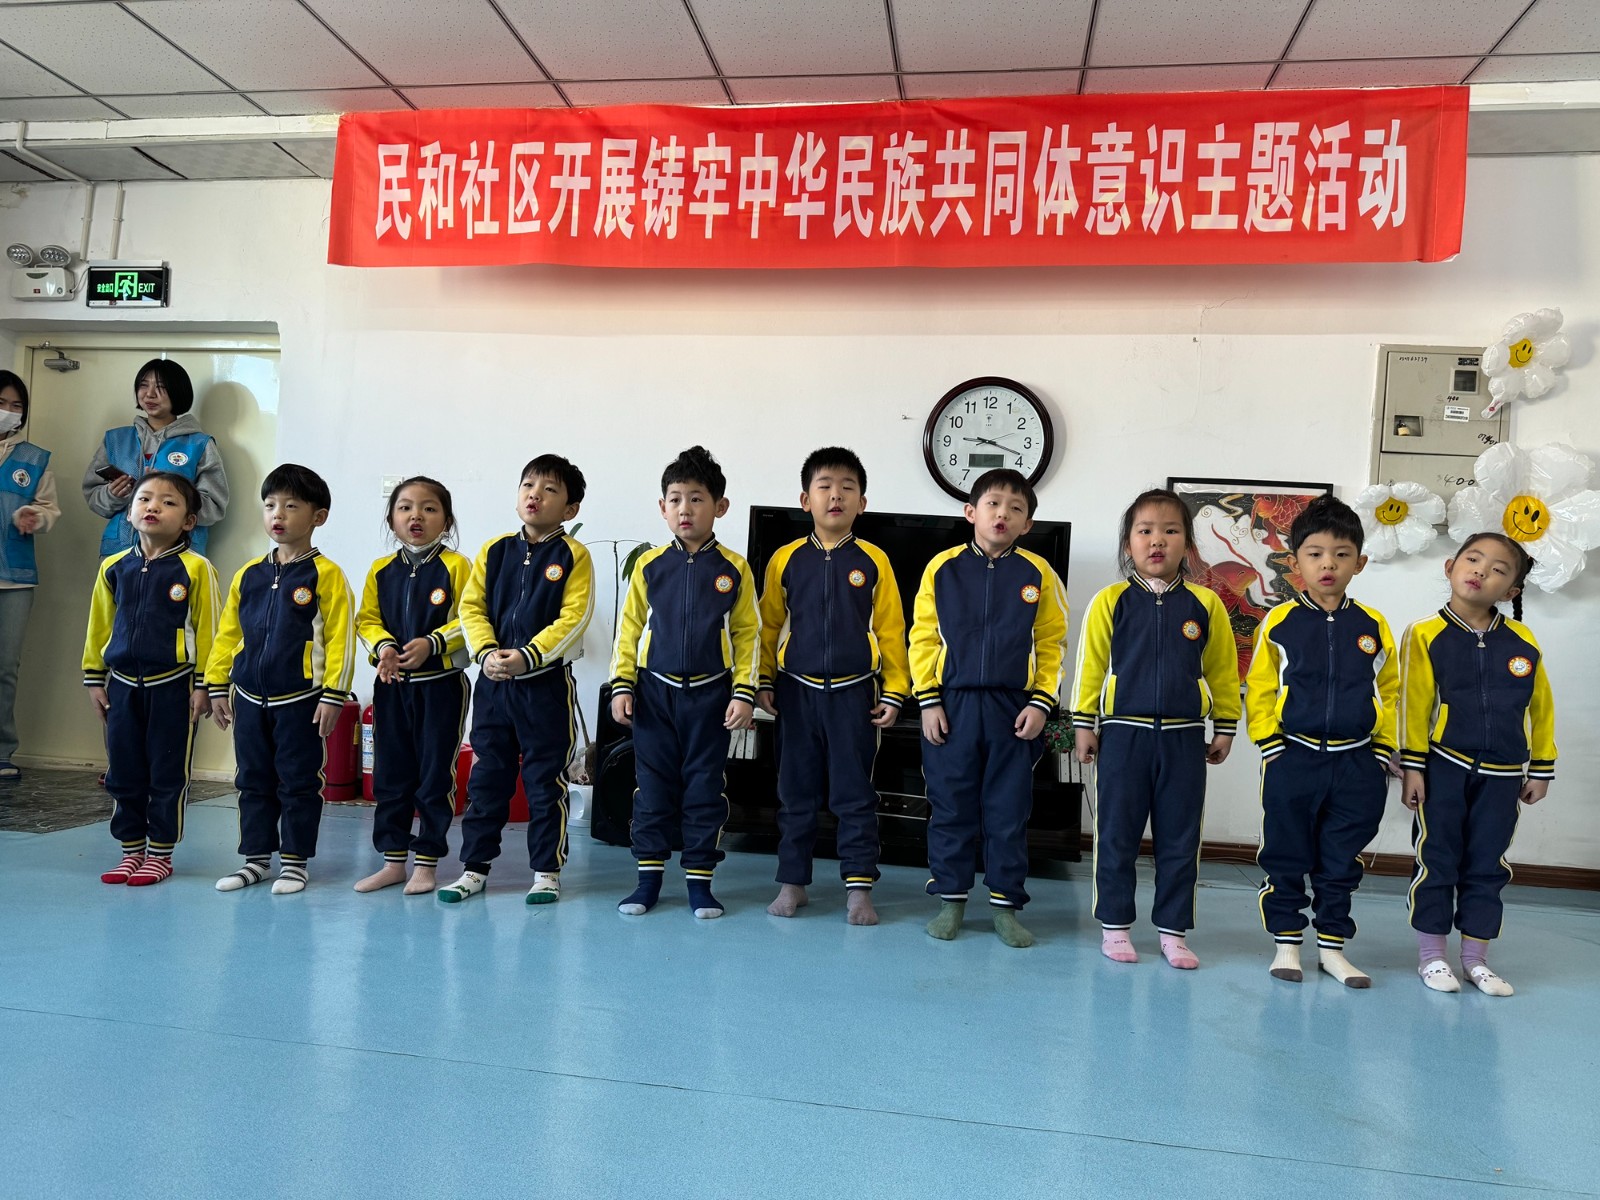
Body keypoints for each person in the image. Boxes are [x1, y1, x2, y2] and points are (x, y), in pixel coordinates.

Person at [1073, 488, 1238, 968]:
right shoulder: (1111, 601)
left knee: (1180, 838)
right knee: (1116, 835)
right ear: (1129, 543)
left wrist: (1225, 725)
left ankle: (1173, 931)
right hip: (1123, 736)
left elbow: (1223, 671)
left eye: (1170, 530)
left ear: (1188, 544)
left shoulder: (1206, 604)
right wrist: (1084, 723)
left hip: (1184, 738)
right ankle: (1115, 926)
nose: (1157, 540)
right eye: (1145, 531)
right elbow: (1089, 667)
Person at [911, 468, 1067, 948]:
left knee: (1008, 811)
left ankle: (1005, 907)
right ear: (971, 512)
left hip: (1013, 711)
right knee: (950, 807)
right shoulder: (942, 567)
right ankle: (951, 901)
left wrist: (1042, 703)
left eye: (1016, 509)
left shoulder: (1039, 574)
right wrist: (928, 700)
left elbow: (1053, 644)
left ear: (1027, 524)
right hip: (952, 707)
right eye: (993, 503)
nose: (1003, 514)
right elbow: (922, 637)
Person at [1245, 495, 1397, 987]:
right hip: (1293, 758)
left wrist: (1380, 750)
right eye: (1315, 554)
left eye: (1341, 554)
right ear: (1296, 562)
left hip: (1356, 765)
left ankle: (1332, 949)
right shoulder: (1280, 622)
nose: (1328, 564)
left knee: (1341, 858)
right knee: (1286, 852)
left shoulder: (1373, 625)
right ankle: (1287, 943)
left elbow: (1390, 690)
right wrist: (1270, 742)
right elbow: (1261, 687)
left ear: (1360, 563)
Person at [756, 447, 909, 925]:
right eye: (824, 486)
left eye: (847, 488)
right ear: (806, 500)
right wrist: (763, 680)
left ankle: (859, 889)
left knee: (854, 794)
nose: (836, 495)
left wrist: (895, 690)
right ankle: (792, 883)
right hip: (796, 693)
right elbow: (767, 627)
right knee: (795, 792)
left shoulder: (875, 560)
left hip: (855, 696)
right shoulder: (784, 560)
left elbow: (891, 630)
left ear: (862, 502)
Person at [1400, 532, 1554, 997]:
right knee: (1437, 859)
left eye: (1498, 570)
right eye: (1473, 559)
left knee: (1488, 864)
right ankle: (1432, 956)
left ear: (1511, 591)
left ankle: (1475, 961)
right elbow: (1412, 705)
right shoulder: (1424, 633)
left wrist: (1541, 766)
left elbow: (1541, 707)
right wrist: (1413, 766)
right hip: (1444, 768)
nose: (1481, 571)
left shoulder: (1523, 640)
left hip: (1504, 777)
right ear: (1450, 566)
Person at [610, 446, 759, 919]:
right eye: (675, 499)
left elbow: (748, 634)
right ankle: (648, 881)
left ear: (720, 506)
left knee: (703, 790)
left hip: (711, 698)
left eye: (696, 499)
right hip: (654, 695)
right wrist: (622, 684)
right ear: (662, 507)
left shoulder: (734, 569)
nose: (685, 509)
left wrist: (744, 693)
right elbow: (629, 629)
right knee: (652, 790)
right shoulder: (649, 566)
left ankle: (699, 882)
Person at [438, 455, 593, 905]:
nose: (535, 495)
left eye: (550, 489)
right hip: (494, 686)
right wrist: (487, 652)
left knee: (545, 783)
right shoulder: (494, 550)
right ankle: (474, 869)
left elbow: (574, 617)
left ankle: (546, 872)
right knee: (487, 779)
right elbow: (471, 608)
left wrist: (528, 656)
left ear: (570, 509)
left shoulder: (574, 556)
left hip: (545, 688)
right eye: (528, 485)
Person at [206, 464, 355, 895]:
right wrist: (217, 684)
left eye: (291, 506)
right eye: (270, 505)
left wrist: (333, 696)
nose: (278, 514)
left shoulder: (326, 575)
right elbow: (228, 634)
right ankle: (255, 860)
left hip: (302, 701)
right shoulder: (248, 574)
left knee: (298, 781)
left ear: (317, 517)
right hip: (249, 698)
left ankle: (294, 862)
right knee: (252, 779)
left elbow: (341, 639)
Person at [83, 472, 219, 885]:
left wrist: (205, 685)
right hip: (122, 686)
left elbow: (210, 631)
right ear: (129, 512)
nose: (153, 507)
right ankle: (130, 851)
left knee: (167, 772)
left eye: (168, 502)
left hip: (174, 687)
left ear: (189, 521)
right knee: (123, 771)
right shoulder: (113, 568)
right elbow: (99, 627)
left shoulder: (196, 569)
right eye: (144, 499)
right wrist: (94, 678)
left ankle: (160, 853)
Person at [354, 477, 472, 896]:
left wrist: (433, 643)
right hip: (392, 687)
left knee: (434, 775)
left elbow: (471, 618)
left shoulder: (458, 567)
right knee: (390, 774)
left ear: (447, 520)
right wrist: (384, 648)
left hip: (441, 686)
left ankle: (426, 863)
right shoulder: (380, 570)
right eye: (405, 507)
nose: (416, 516)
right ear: (391, 519)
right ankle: (393, 862)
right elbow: (366, 620)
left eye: (429, 508)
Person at [83, 359, 228, 558]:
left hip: (179, 555)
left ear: (178, 392)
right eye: (144, 385)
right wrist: (113, 495)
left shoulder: (200, 444)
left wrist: (171, 494)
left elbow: (214, 507)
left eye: (161, 387)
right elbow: (93, 497)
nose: (150, 394)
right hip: (120, 553)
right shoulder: (116, 440)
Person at [0, 370, 60, 782]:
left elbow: (49, 509)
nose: (8, 411)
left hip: (15, 577)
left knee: (6, 666)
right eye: (1, 403)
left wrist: (32, 515)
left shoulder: (34, 458)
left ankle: (2, 751)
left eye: (16, 405)